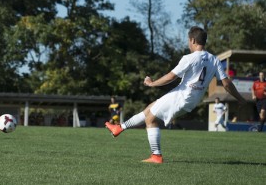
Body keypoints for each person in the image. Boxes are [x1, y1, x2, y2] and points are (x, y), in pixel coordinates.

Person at [105, 26, 246, 164]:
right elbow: (227, 84)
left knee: (151, 119)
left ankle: (156, 156)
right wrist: (240, 98)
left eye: (188, 41)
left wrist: (152, 83)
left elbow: (171, 77)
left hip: (181, 96)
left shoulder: (189, 58)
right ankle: (119, 128)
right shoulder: (214, 60)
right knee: (149, 108)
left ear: (193, 40)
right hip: (192, 100)